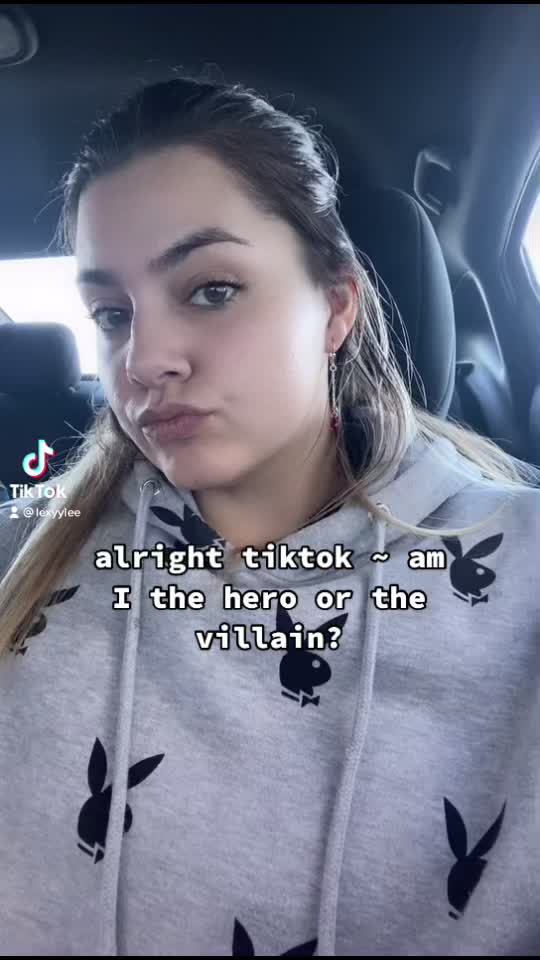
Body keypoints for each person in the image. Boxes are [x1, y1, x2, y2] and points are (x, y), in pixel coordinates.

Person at [0, 74, 538, 958]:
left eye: (212, 289)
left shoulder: (521, 573)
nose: (145, 359)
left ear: (336, 307)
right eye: (111, 313)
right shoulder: (26, 554)